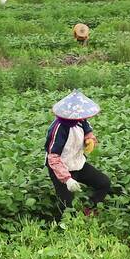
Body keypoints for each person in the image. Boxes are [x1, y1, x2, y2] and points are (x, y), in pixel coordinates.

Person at [44, 89, 111, 217]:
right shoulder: (59, 128)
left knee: (104, 183)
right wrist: (67, 179)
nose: (83, 117)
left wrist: (89, 139)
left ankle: (89, 209)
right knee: (67, 206)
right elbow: (53, 158)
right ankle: (61, 226)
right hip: (60, 168)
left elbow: (88, 131)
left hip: (78, 163)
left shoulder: (80, 120)